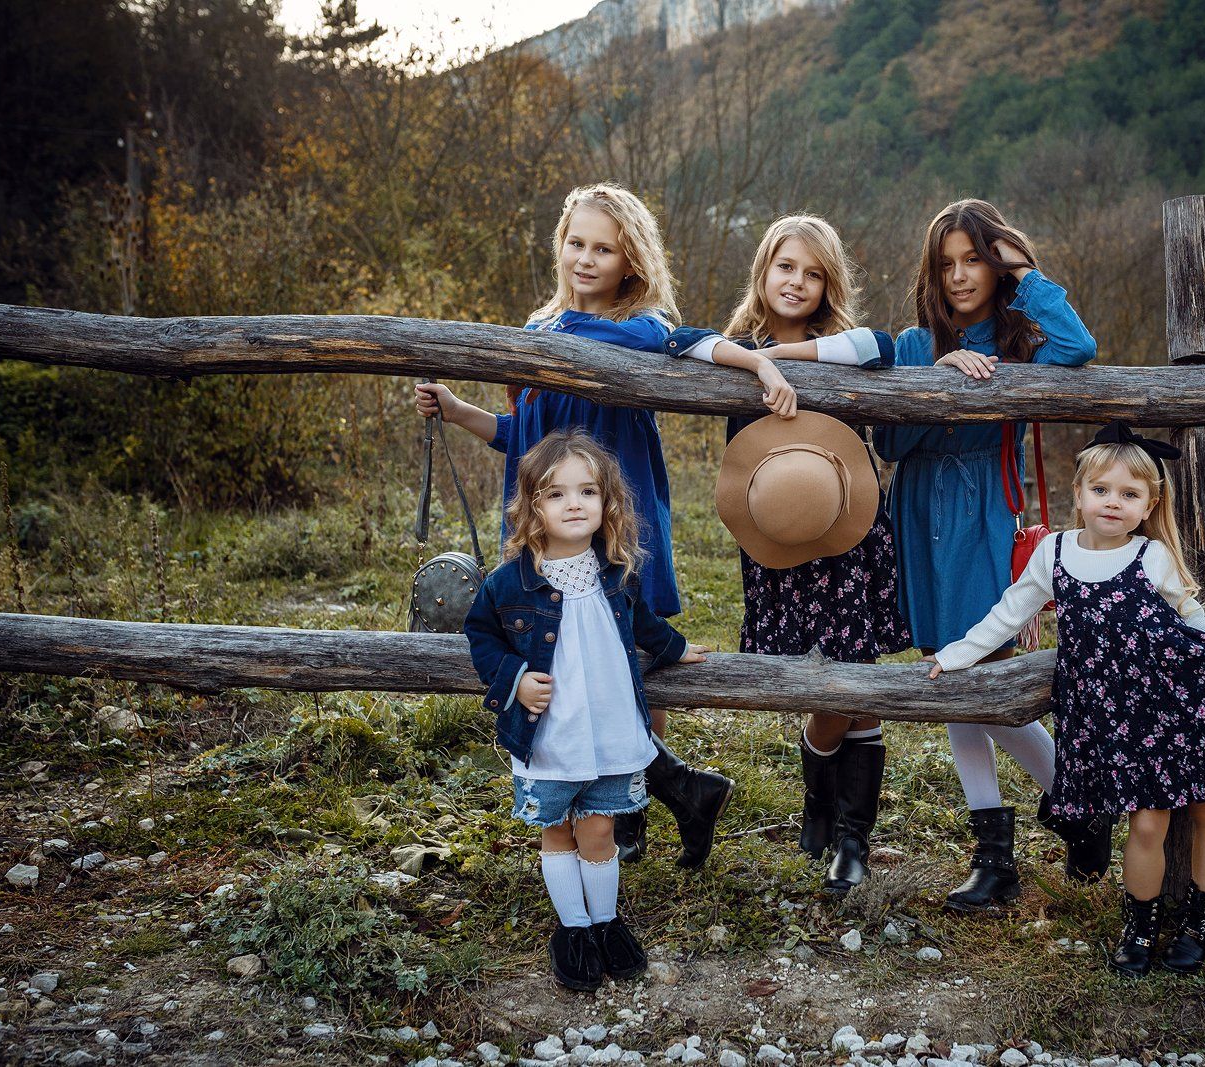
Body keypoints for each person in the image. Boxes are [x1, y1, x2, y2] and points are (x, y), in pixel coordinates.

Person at [417, 182, 733, 870]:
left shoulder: (640, 329)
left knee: (630, 657)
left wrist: (534, 342)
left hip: (615, 523)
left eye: (604, 248)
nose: (585, 259)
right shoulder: (540, 332)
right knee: (570, 660)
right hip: (551, 527)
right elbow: (525, 434)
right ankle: (679, 792)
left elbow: (650, 336)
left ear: (631, 260)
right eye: (575, 243)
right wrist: (458, 408)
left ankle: (631, 812)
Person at [928, 422, 1205, 975]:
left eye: (1129, 494)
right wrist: (954, 655)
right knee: (1147, 823)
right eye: (1102, 490)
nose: (1113, 502)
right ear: (1079, 493)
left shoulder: (1151, 556)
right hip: (1113, 716)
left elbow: (1193, 621)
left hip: (1175, 703)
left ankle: (1199, 923)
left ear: (1148, 505)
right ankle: (1139, 929)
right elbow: (1007, 615)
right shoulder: (1053, 553)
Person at [871, 199, 1107, 911]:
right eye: (946, 263)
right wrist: (939, 377)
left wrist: (1026, 274)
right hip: (919, 513)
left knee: (981, 672)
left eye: (974, 259)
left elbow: (1080, 347)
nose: (959, 275)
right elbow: (891, 443)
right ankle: (1011, 843)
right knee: (949, 672)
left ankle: (1068, 804)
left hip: (983, 517)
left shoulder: (1022, 345)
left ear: (997, 263)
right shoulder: (914, 344)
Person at [664, 215, 908, 895]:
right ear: (763, 271)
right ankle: (821, 798)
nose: (797, 282)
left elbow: (882, 345)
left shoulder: (845, 348)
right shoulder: (733, 350)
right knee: (818, 677)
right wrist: (757, 360)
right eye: (786, 267)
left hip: (846, 533)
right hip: (777, 537)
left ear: (829, 284)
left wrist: (787, 358)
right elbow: (678, 340)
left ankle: (850, 835)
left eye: (814, 273)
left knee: (855, 679)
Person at [464, 430, 710, 991]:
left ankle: (605, 922)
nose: (574, 504)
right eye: (556, 494)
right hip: (550, 733)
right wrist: (515, 681)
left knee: (599, 830)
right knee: (557, 832)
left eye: (587, 491)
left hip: (609, 730)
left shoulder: (615, 573)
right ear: (532, 508)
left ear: (607, 502)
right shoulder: (508, 584)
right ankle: (573, 929)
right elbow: (482, 637)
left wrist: (675, 648)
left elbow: (643, 624)